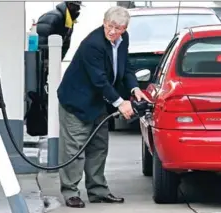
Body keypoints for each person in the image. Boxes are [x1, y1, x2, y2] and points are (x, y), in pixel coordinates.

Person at [57, 6, 151, 208]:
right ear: (104, 22)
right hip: (77, 101)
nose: (112, 32)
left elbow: (125, 68)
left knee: (99, 146)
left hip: (99, 101)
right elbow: (99, 80)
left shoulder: (123, 40)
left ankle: (97, 190)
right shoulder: (93, 44)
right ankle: (70, 191)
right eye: (109, 26)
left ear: (125, 28)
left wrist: (134, 89)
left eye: (117, 28)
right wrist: (121, 103)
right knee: (75, 147)